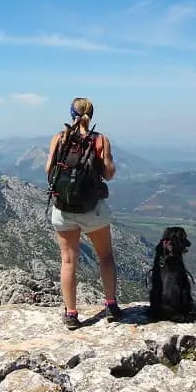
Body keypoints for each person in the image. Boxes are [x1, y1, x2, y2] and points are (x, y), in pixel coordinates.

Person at [45, 96, 122, 329]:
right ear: (92, 115)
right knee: (105, 256)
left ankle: (71, 314)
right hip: (93, 210)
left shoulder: (59, 138)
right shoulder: (100, 140)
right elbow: (109, 174)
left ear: (71, 114)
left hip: (63, 209)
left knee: (68, 261)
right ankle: (110, 305)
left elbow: (49, 171)